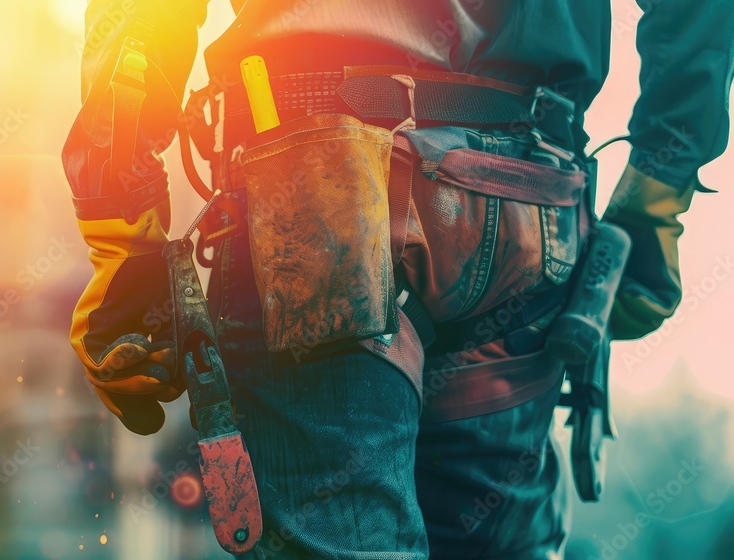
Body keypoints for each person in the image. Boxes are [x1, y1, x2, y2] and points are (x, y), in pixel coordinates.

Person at [62, 1, 733, 558]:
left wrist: (124, 239)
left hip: (318, 184)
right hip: (533, 195)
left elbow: (137, 30)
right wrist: (659, 190)